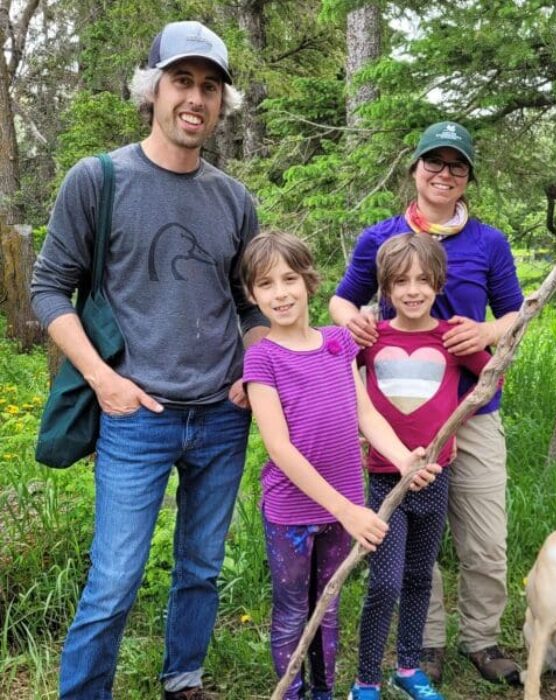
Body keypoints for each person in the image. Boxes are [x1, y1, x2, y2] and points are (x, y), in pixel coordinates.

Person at [30, 21, 268, 700]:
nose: (196, 98)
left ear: (223, 104)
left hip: (222, 416)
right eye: (183, 82)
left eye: (211, 87)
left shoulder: (233, 199)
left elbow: (250, 304)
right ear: (152, 90)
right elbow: (48, 287)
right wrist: (106, 383)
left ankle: (183, 677)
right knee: (114, 581)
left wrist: (253, 370)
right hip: (136, 416)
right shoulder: (99, 179)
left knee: (201, 567)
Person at [329, 121, 524, 686]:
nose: (444, 175)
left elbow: (516, 315)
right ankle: (425, 645)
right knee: (416, 535)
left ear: (468, 180)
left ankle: (482, 639)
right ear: (414, 170)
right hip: (400, 421)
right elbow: (343, 302)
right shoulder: (380, 238)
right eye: (433, 164)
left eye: (456, 167)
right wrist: (360, 323)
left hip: (474, 411)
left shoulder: (489, 243)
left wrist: (488, 335)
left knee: (484, 536)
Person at [240, 231, 441, 700]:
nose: (280, 292)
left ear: (309, 282)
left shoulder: (337, 344)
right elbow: (281, 449)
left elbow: (365, 414)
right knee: (293, 608)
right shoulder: (262, 359)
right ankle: (292, 693)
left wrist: (401, 458)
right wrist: (348, 510)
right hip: (292, 510)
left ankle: (323, 693)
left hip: (344, 506)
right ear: (253, 295)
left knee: (328, 606)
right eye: (266, 284)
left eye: (289, 278)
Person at [348, 233, 498, 700]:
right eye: (400, 282)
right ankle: (366, 678)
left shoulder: (450, 337)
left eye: (422, 280)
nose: (412, 290)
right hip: (385, 477)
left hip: (437, 475)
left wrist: (455, 422)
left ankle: (408, 668)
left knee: (419, 575)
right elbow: (339, 373)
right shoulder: (373, 338)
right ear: (386, 289)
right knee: (385, 581)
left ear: (438, 283)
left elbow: (490, 378)